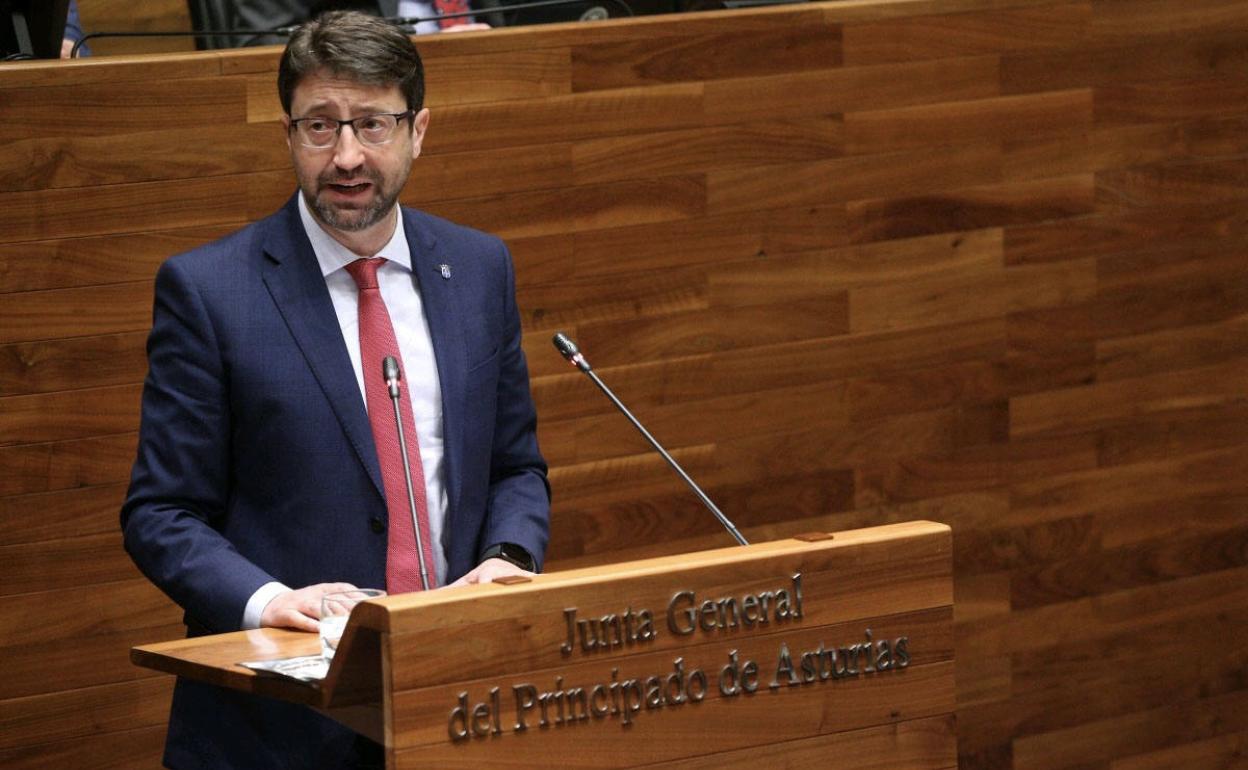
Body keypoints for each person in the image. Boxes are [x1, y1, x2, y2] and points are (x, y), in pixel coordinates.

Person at [120, 11, 549, 769]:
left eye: (372, 125)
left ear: (419, 130)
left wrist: (509, 555)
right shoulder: (211, 291)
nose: (346, 156)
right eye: (320, 126)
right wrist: (268, 599)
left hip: (452, 703)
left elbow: (515, 466)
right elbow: (161, 513)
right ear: (288, 134)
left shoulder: (481, 269)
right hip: (277, 726)